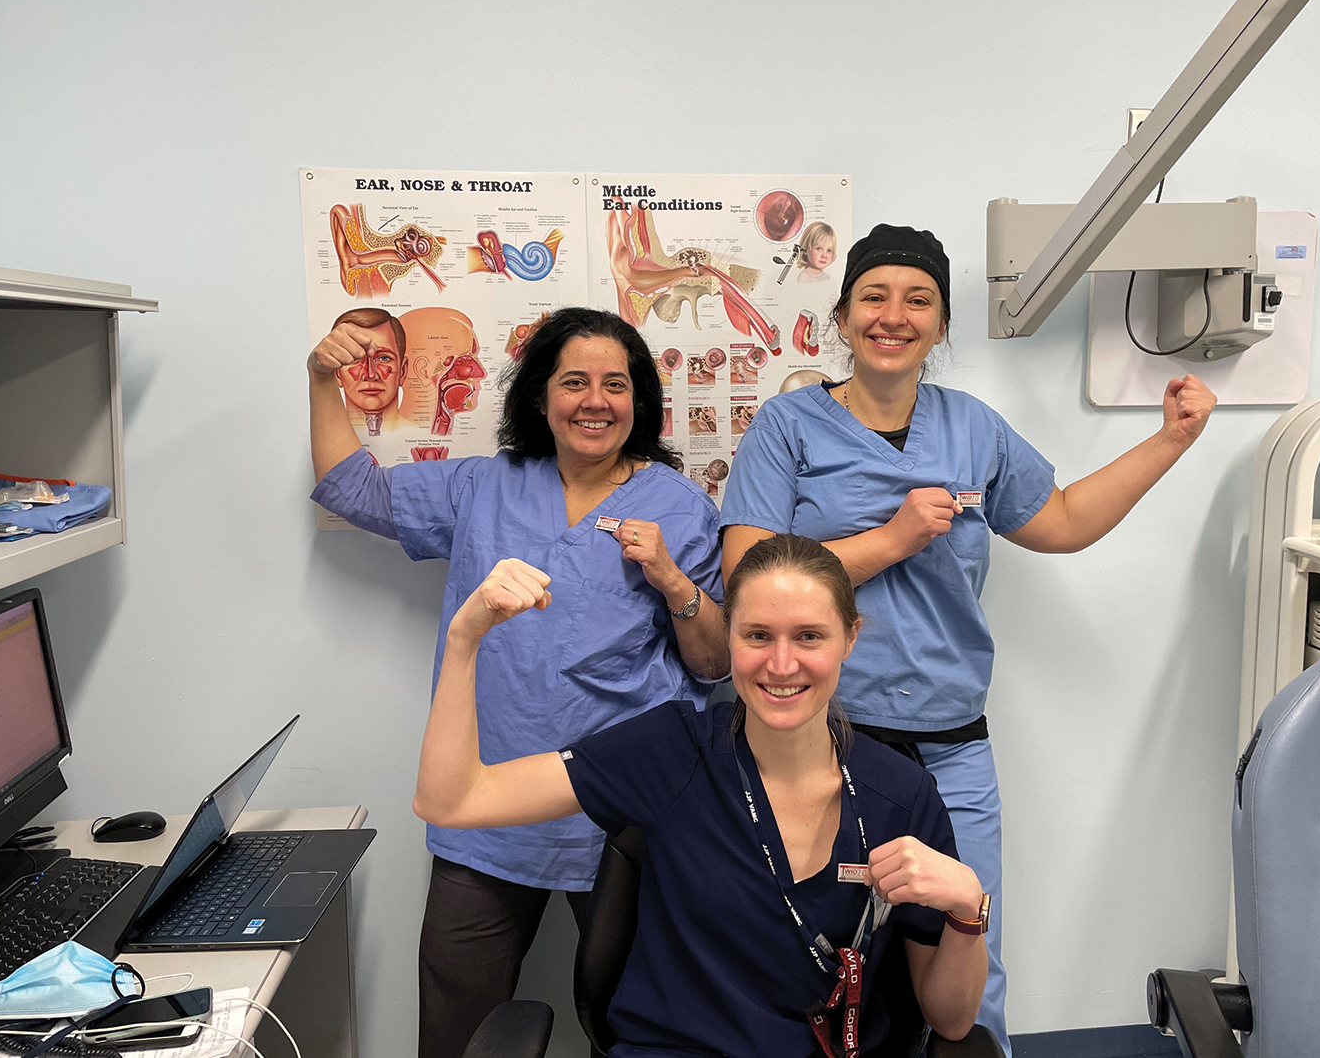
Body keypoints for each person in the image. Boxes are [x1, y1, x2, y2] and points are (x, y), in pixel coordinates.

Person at [719, 224, 1217, 1055]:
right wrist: (893, 537)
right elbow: (749, 573)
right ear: (842, 318)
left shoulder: (974, 428)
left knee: (966, 949)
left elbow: (1059, 520)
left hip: (951, 743)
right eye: (874, 297)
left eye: (919, 300)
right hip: (820, 741)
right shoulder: (789, 426)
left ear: (942, 326)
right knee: (814, 949)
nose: (894, 315)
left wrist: (1171, 439)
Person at [307, 307, 729, 1058]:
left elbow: (714, 664)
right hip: (490, 805)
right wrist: (321, 380)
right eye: (574, 382)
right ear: (541, 397)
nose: (595, 401)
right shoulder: (483, 487)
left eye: (615, 384)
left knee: (647, 1022)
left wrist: (670, 578)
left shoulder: (681, 506)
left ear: (640, 402)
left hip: (628, 816)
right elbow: (352, 491)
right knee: (456, 1022)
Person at [415, 534, 991, 1055]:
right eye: (757, 636)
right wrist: (465, 637)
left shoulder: (900, 794)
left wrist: (969, 911)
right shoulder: (671, 751)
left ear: (850, 637)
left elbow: (953, 1021)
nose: (782, 664)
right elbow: (453, 800)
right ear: (730, 637)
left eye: (809, 636)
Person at [328, 307, 413, 436]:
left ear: (403, 371)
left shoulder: (425, 435)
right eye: (356, 358)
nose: (370, 375)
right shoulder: (326, 441)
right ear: (337, 373)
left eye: (383, 358)